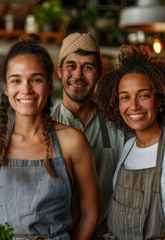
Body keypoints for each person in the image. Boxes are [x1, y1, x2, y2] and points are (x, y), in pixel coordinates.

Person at [0, 34, 99, 239]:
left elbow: (90, 213)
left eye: (36, 80)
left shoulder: (73, 143)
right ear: (6, 88)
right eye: (16, 80)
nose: (26, 90)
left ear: (49, 86)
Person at [95, 44, 165, 239]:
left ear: (159, 100)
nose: (133, 106)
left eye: (143, 95)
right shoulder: (127, 148)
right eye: (125, 97)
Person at [51, 32, 126, 239]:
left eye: (88, 67)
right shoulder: (43, 124)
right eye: (71, 66)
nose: (78, 75)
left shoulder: (118, 125)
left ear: (99, 72)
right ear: (59, 71)